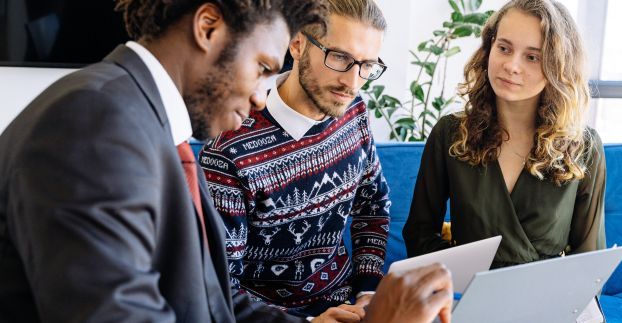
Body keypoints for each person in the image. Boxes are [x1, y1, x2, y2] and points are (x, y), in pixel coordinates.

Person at [0, 1, 453, 322]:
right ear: (208, 26)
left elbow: (212, 299)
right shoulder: (94, 123)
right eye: (261, 67)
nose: (261, 95)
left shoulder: (137, 117)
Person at [200, 0, 392, 320]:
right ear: (298, 45)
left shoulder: (354, 111)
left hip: (348, 305)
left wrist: (368, 292)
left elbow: (373, 205)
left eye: (366, 65)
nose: (353, 82)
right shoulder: (228, 152)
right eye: (339, 57)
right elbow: (219, 287)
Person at [404, 0, 606, 269]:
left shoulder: (584, 147)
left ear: (558, 66)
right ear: (489, 49)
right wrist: (464, 278)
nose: (511, 65)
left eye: (532, 57)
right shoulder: (450, 133)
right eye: (504, 48)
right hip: (467, 294)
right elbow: (419, 236)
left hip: (546, 301)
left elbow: (589, 261)